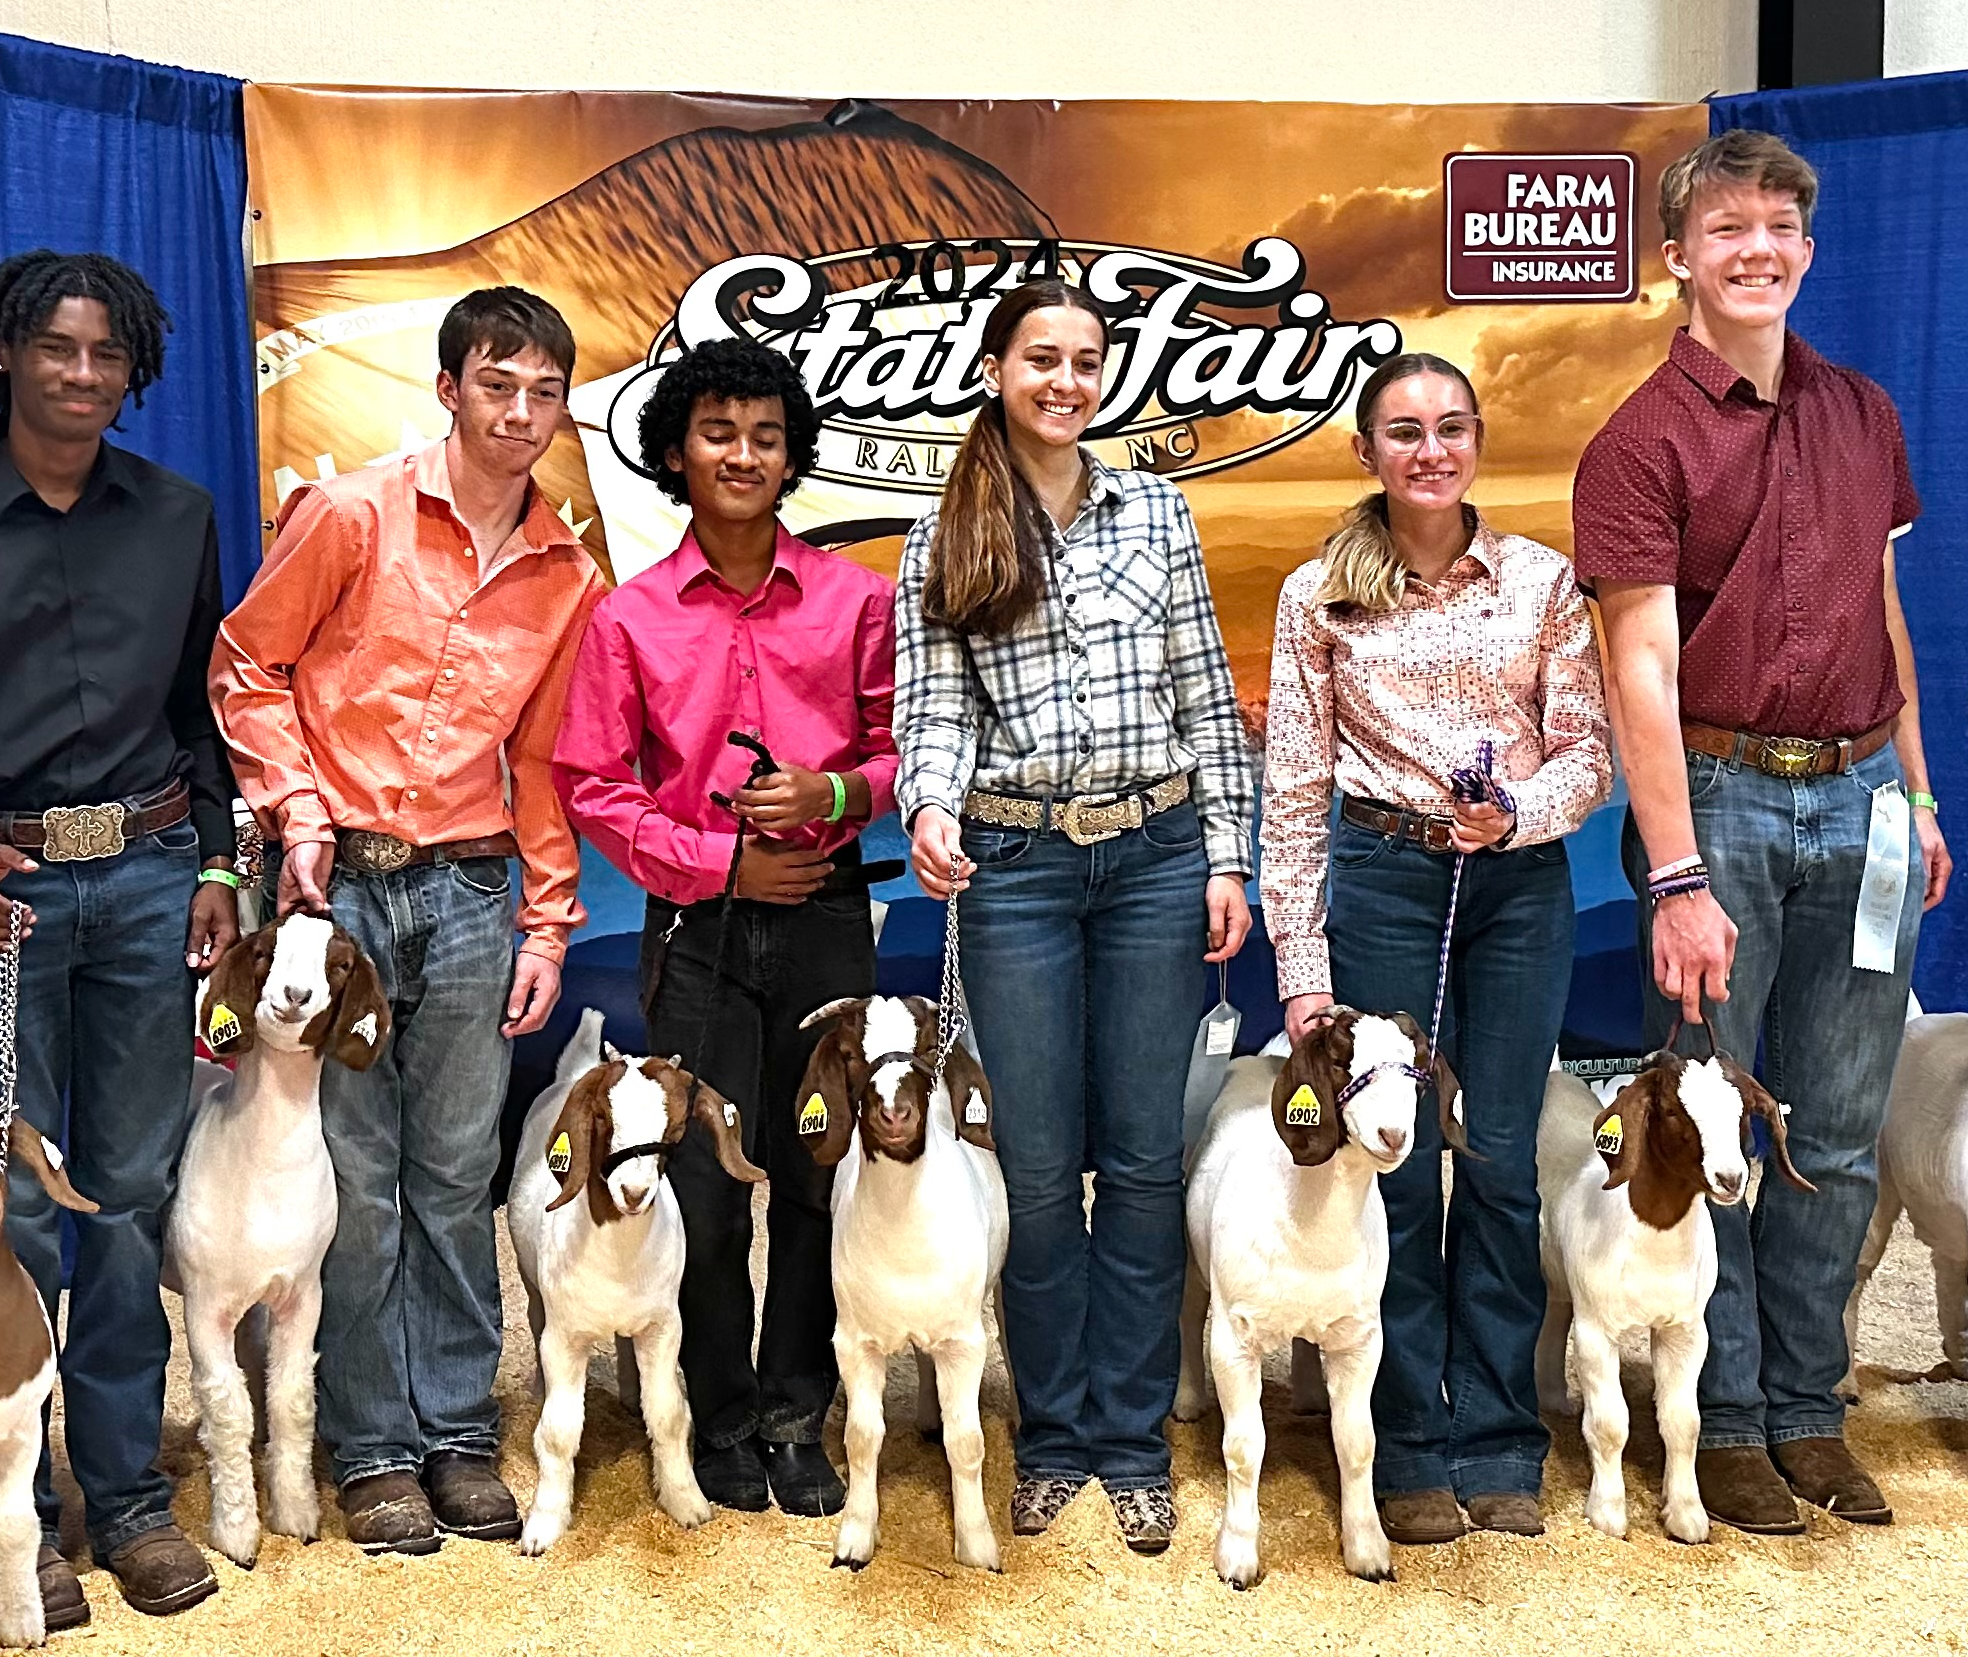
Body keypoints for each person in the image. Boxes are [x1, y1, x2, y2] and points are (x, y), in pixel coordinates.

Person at [1571, 130, 1952, 1536]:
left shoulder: (1865, 413)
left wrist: (1912, 793)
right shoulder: (1639, 443)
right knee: (1709, 1127)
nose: (1757, 249)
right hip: (1717, 804)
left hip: (1861, 795)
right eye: (1727, 227)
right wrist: (1672, 875)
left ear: (1807, 248)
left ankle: (1807, 1408)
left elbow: (1885, 616)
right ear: (1676, 255)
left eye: (1781, 225)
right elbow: (1642, 675)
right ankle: (1717, 1413)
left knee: (1840, 1131)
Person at [0, 250, 239, 1622]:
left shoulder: (180, 518)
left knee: (126, 1198)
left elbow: (207, 716)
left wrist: (224, 864)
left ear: (136, 370)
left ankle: (126, 1497)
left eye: (107, 354)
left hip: (147, 878)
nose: (83, 374)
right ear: (1, 355)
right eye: (55, 349)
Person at [212, 287, 606, 1555]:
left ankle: (453, 1427)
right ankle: (370, 1440)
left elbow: (544, 761)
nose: (522, 413)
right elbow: (246, 664)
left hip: (476, 888)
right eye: (499, 384)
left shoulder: (566, 570)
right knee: (358, 1175)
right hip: (340, 895)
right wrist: (293, 804)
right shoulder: (351, 515)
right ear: (449, 388)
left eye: (546, 392)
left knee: (453, 1172)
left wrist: (550, 923)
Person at [898, 279, 1256, 1557]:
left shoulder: (1155, 509)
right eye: (1041, 358)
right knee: (1042, 1173)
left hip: (1158, 853)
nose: (1066, 379)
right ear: (996, 369)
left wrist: (1230, 858)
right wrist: (929, 808)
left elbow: (1208, 693)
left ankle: (1130, 1434)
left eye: (1086, 360)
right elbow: (934, 710)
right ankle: (1051, 1433)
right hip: (1019, 869)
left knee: (1146, 1159)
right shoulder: (944, 529)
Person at [1263, 352, 1610, 1544]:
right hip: (1381, 880)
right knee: (1395, 1164)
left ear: (1478, 444)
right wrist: (1302, 971)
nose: (1431, 450)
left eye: (1451, 428)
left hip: (1515, 884)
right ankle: (1408, 1439)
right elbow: (1294, 789)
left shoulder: (1543, 581)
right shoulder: (1319, 596)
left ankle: (1502, 1434)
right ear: (1366, 452)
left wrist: (1521, 813)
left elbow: (1586, 750)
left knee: (1503, 1159)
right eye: (1404, 431)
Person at [554, 335, 894, 1520]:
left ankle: (800, 1412)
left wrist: (833, 797)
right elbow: (594, 782)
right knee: (696, 1174)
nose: (742, 454)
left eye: (764, 435)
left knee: (810, 1169)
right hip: (693, 932)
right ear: (673, 453)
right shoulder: (629, 620)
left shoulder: (860, 600)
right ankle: (719, 1407)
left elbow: (905, 752)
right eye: (717, 433)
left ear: (793, 454)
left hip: (826, 922)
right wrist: (720, 862)